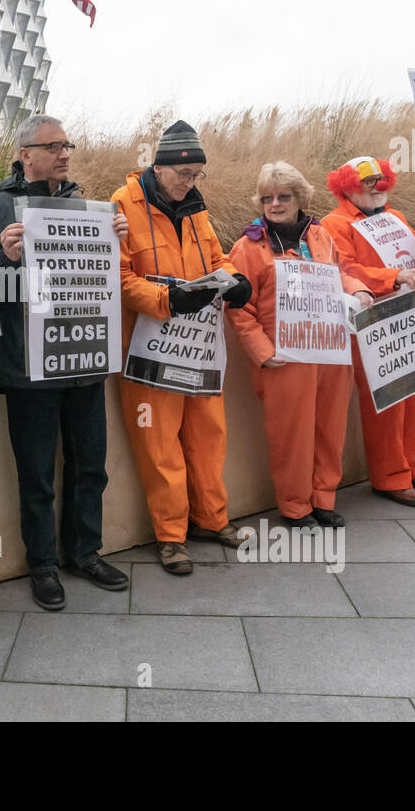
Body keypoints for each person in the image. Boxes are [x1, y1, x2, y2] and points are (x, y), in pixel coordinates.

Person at [0, 114, 132, 609]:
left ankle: (85, 552)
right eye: (55, 146)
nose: (66, 153)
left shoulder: (86, 207)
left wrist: (114, 240)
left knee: (91, 465)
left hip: (82, 358)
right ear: (26, 155)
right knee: (38, 475)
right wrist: (5, 259)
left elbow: (102, 279)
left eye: (68, 144)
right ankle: (43, 565)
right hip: (29, 367)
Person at [112, 120, 256, 575]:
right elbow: (117, 278)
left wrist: (235, 280)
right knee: (159, 447)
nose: (189, 183)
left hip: (198, 346)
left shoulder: (195, 207)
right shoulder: (121, 204)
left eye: (196, 175)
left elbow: (216, 258)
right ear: (160, 166)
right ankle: (171, 537)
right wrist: (166, 300)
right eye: (183, 174)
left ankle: (212, 520)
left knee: (208, 436)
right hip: (148, 350)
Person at [227, 162, 374, 530]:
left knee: (330, 427)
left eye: (283, 197)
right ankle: (295, 507)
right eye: (267, 198)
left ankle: (324, 498)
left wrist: (359, 289)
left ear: (300, 198)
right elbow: (238, 308)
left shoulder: (321, 236)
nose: (274, 204)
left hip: (330, 349)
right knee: (292, 436)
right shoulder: (248, 246)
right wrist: (263, 352)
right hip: (285, 358)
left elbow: (339, 273)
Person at [320, 156, 415, 508]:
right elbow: (344, 269)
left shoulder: (394, 217)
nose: (377, 185)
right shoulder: (334, 224)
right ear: (345, 185)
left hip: (408, 316)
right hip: (372, 321)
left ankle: (414, 467)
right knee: (387, 402)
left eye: (380, 178)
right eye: (368, 181)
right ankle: (390, 477)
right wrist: (392, 277)